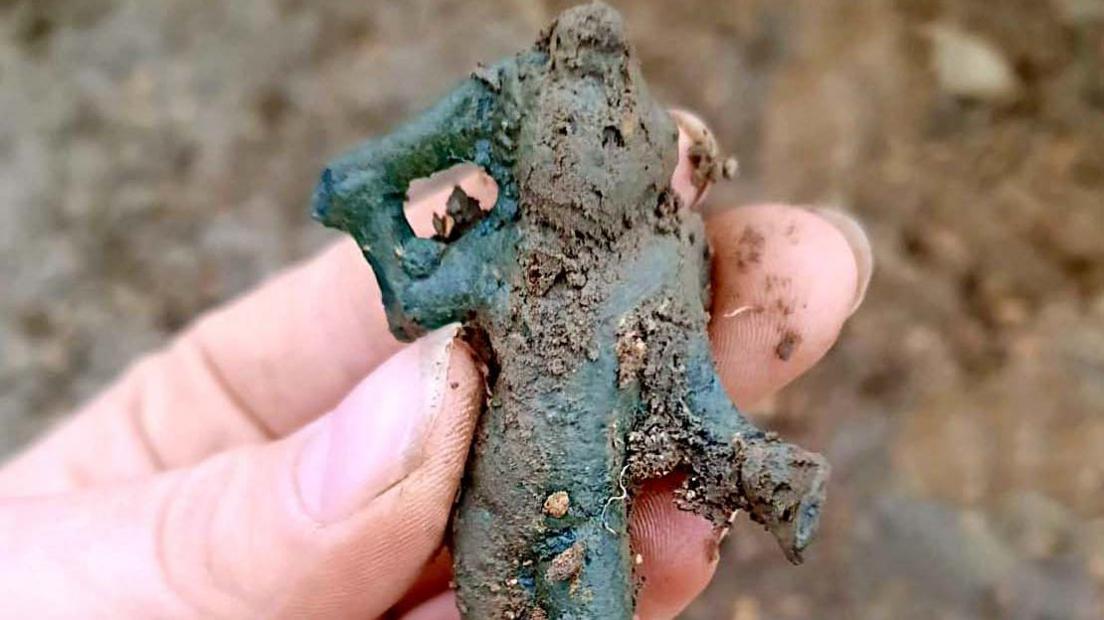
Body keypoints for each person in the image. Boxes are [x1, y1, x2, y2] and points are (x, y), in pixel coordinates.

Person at [0, 111, 871, 619]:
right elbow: (416, 289)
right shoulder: (503, 258)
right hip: (498, 502)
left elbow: (689, 390)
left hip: (583, 493)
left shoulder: (659, 265)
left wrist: (743, 462)